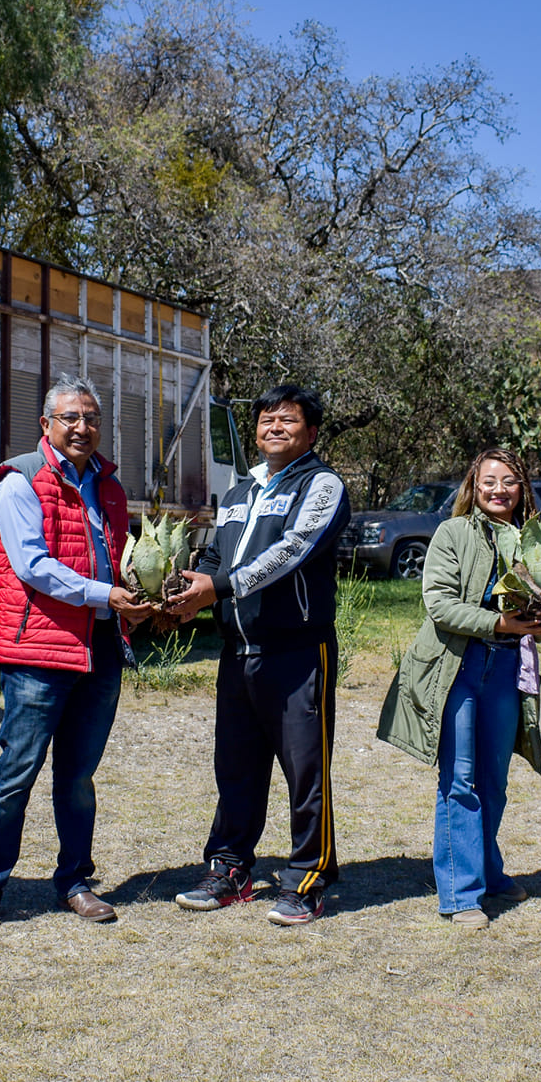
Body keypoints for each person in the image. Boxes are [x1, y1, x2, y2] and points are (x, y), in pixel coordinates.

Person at [0, 377, 153, 935]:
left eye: (91, 418)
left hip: (102, 651)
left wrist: (138, 599)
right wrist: (104, 595)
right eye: (70, 417)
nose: (82, 428)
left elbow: (118, 561)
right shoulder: (19, 480)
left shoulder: (110, 486)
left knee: (78, 778)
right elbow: (32, 566)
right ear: (46, 425)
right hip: (40, 652)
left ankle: (74, 881)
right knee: (15, 774)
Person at [164, 383, 351, 926]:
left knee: (305, 772)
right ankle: (229, 868)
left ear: (310, 432)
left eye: (287, 421)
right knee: (236, 769)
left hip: (297, 651)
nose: (274, 428)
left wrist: (217, 588)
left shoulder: (322, 484)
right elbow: (218, 554)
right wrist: (188, 594)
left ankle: (307, 882)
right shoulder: (243, 488)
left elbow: (291, 551)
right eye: (266, 420)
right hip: (238, 651)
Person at [376, 448, 541, 929]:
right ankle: (460, 894)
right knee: (459, 780)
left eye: (510, 481)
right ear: (473, 489)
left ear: (523, 489)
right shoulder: (452, 533)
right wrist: (501, 622)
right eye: (489, 481)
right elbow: (439, 604)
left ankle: (490, 872)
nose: (499, 490)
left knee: (494, 781)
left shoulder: (535, 541)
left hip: (507, 671)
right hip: (457, 667)